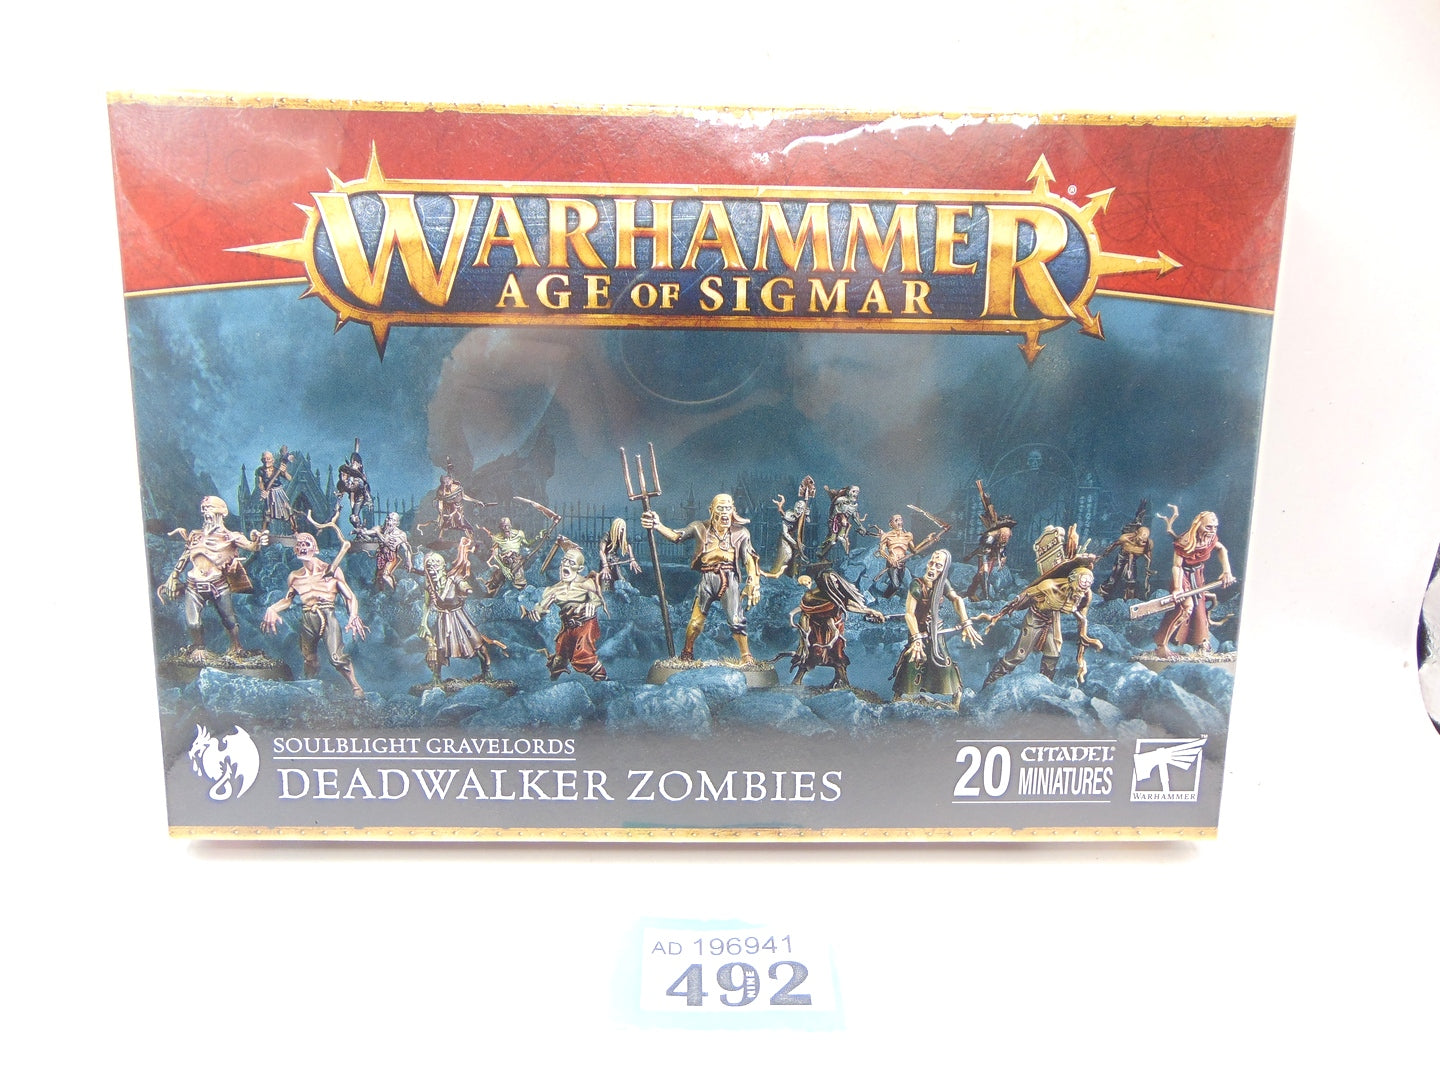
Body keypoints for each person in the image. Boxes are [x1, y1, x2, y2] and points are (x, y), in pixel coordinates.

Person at [642, 493, 761, 662]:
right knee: (696, 621)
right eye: (721, 508)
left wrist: (753, 583)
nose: (725, 513)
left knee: (736, 620)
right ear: (712, 510)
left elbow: (749, 559)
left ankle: (746, 656)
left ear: (733, 510)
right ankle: (687, 653)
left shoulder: (741, 533)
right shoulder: (699, 527)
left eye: (728, 508)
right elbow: (677, 536)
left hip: (729, 579)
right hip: (707, 579)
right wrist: (657, 525)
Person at [157, 495, 269, 658]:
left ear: (222, 512)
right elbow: (185, 556)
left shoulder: (232, 536)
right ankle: (199, 648)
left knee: (229, 620)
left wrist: (258, 539)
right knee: (193, 623)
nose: (205, 512)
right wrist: (173, 576)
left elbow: (252, 547)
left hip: (218, 585)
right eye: (203, 509)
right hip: (194, 586)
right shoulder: (196, 536)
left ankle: (236, 646)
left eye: (209, 507)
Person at [261, 532, 368, 697]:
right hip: (308, 619)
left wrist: (353, 615)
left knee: (336, 657)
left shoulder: (331, 571)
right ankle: (309, 684)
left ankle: (356, 687)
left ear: (315, 549)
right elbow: (288, 600)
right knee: (309, 658)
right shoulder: (295, 577)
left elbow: (349, 596)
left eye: (307, 544)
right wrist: (273, 608)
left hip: (327, 616)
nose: (302, 548)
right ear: (295, 549)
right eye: (299, 545)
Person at [981, 566, 1102, 687]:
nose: (1086, 584)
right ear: (1075, 578)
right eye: (1084, 580)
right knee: (1020, 654)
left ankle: (1045, 685)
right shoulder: (1050, 585)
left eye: (1089, 581)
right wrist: (1002, 613)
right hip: (1035, 618)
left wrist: (1083, 635)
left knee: (1053, 654)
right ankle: (990, 683)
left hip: (1052, 619)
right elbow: (1025, 595)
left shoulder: (1086, 594)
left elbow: (1082, 617)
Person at [890, 549, 981, 706]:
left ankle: (956, 697)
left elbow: (956, 599)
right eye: (931, 563)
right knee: (913, 660)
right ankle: (899, 695)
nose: (932, 568)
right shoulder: (917, 585)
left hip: (936, 630)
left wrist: (966, 622)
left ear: (944, 569)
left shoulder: (943, 583)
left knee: (942, 660)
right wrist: (916, 638)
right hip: (918, 630)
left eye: (938, 566)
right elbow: (909, 614)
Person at [782, 565, 884, 687]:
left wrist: (870, 611)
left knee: (837, 654)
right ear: (825, 583)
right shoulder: (811, 596)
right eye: (833, 581)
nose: (836, 583)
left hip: (835, 629)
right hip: (817, 630)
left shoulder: (836, 594)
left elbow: (847, 605)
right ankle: (797, 681)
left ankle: (842, 681)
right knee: (812, 653)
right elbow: (807, 610)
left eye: (836, 580)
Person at [414, 551, 507, 681]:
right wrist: (423, 623)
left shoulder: (454, 579)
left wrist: (465, 588)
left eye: (435, 565)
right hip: (443, 619)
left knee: (477, 644)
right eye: (429, 566)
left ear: (442, 566)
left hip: (460, 617)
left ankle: (487, 671)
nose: (432, 569)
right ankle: (436, 678)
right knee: (439, 648)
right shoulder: (430, 587)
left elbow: (463, 585)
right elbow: (426, 604)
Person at [1153, 509, 1234, 656]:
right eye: (1208, 527)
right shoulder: (1185, 541)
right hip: (1182, 576)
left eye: (1215, 527)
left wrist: (1227, 571)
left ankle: (1202, 641)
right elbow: (1177, 566)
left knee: (1199, 607)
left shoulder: (1210, 539)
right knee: (1186, 608)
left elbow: (1221, 549)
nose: (1212, 531)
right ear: (1198, 525)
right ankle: (1161, 646)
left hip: (1197, 576)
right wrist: (1177, 588)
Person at [525, 549, 608, 681]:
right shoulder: (553, 590)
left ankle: (603, 681)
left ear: (580, 568)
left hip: (586, 623)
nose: (566, 564)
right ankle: (552, 684)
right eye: (564, 561)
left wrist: (591, 604)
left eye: (571, 562)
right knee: (559, 660)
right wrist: (536, 612)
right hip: (568, 627)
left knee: (583, 655)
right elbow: (541, 606)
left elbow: (598, 599)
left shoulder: (586, 583)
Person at [254, 449, 297, 533]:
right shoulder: (260, 470)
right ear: (262, 460)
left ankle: (295, 530)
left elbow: (289, 478)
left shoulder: (277, 469)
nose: (266, 461)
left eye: (268, 459)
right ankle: (263, 531)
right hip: (269, 493)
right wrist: (263, 491)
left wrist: (284, 471)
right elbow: (260, 482)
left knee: (288, 509)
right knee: (267, 512)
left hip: (279, 492)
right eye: (264, 459)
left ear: (272, 460)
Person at [598, 517, 641, 589]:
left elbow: (627, 546)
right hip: (606, 562)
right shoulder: (607, 535)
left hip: (615, 562)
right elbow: (601, 551)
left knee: (620, 582)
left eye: (623, 529)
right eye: (620, 529)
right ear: (615, 527)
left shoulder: (620, 537)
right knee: (606, 584)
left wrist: (632, 559)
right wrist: (605, 565)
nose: (621, 531)